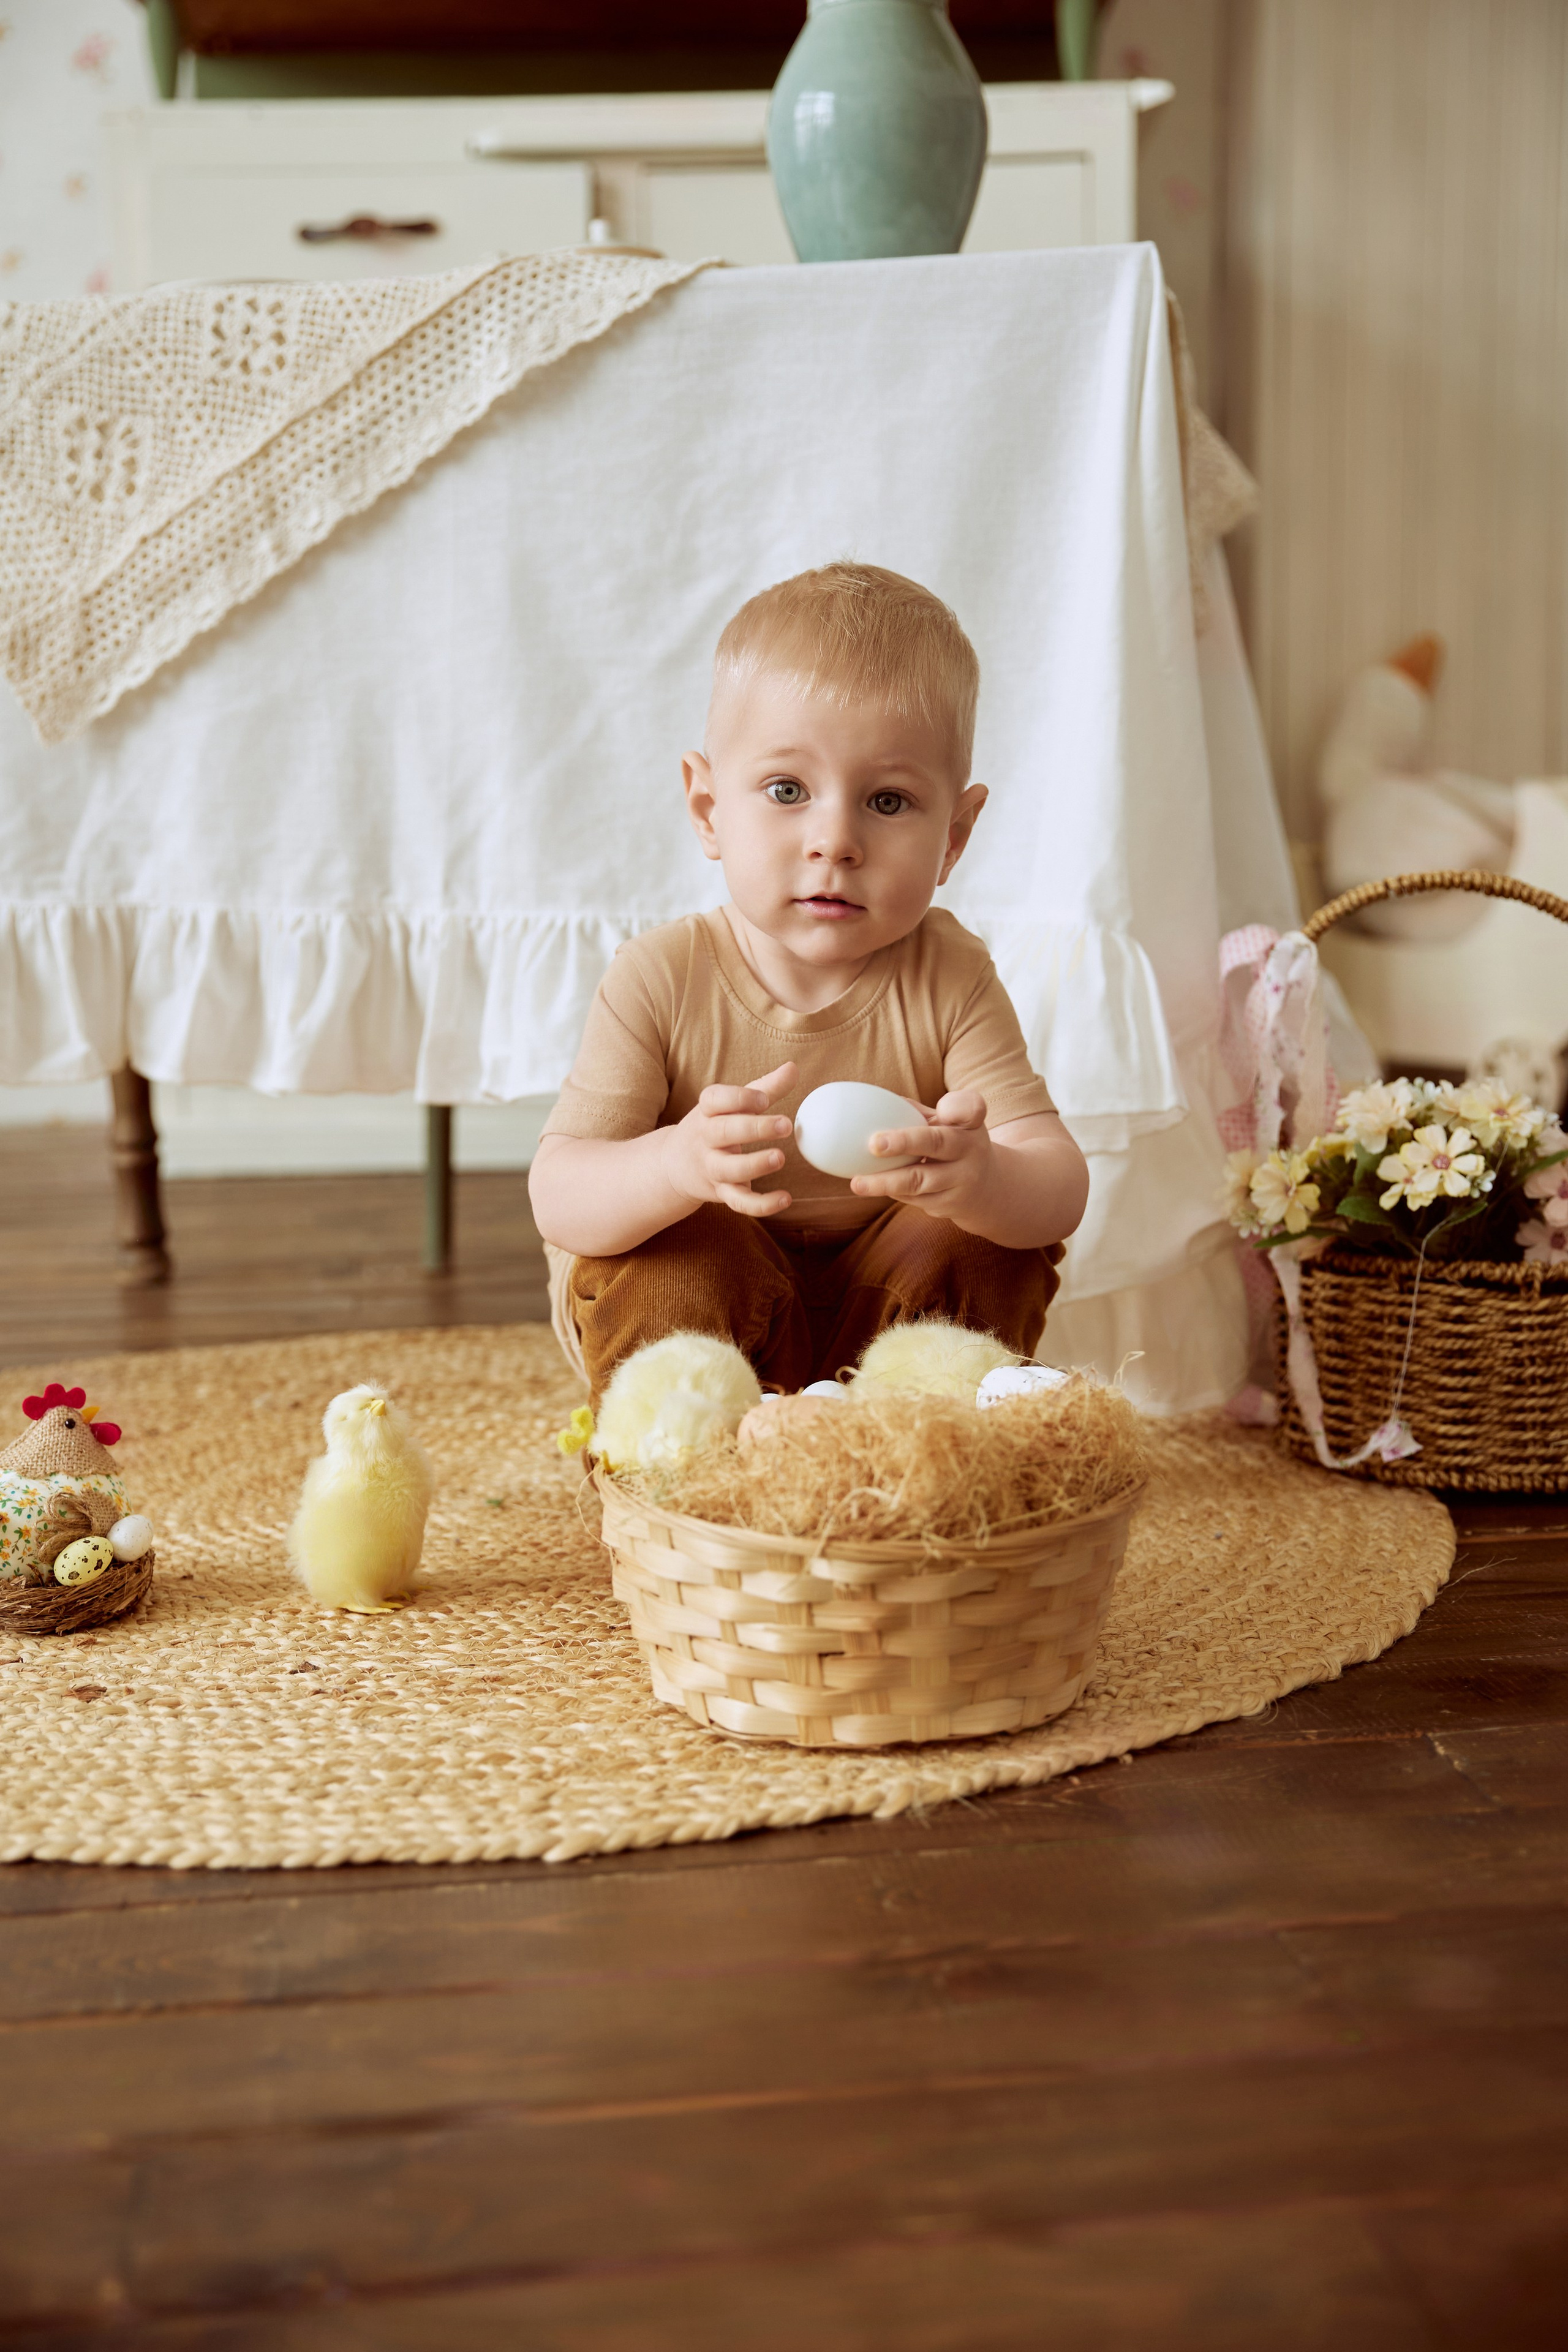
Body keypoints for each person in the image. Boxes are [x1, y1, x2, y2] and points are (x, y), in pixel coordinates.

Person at [529, 560, 1090, 1402]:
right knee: (676, 1257)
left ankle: (918, 1461)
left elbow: (1058, 1185)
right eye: (788, 790)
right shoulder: (660, 976)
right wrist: (676, 1165)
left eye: (889, 802)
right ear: (710, 808)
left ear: (955, 835)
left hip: (889, 1347)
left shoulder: (951, 975)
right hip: (718, 1345)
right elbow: (560, 1195)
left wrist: (985, 1179)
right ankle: (690, 1478)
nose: (835, 840)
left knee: (981, 1241)